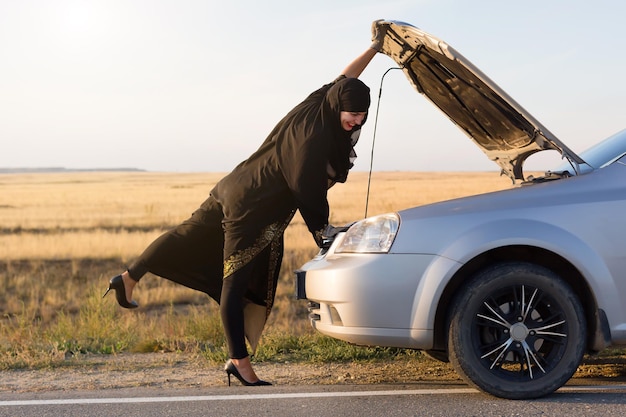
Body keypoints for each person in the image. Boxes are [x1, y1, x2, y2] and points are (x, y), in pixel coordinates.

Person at [104, 23, 386, 386]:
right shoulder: (313, 137)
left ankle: (127, 278)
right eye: (352, 115)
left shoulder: (321, 100)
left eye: (362, 116)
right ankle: (239, 361)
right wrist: (323, 230)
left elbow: (347, 75)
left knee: (184, 235)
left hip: (234, 185)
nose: (356, 121)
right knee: (234, 283)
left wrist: (374, 50)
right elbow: (305, 188)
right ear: (338, 106)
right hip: (251, 207)